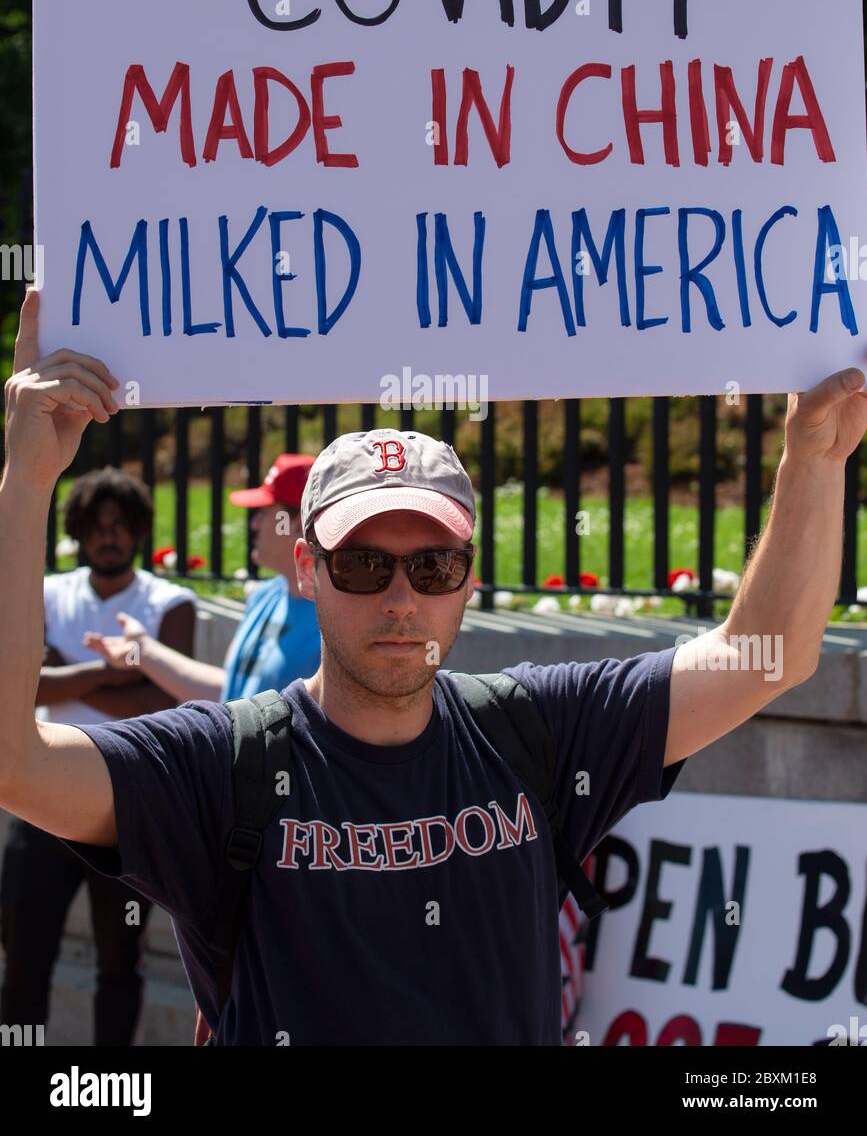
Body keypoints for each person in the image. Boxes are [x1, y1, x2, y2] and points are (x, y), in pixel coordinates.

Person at [1, 287, 862, 1045]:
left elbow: (770, 656)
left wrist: (813, 460)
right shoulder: (219, 766)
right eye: (362, 564)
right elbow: (16, 764)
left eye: (434, 566)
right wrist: (27, 480)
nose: (401, 599)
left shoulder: (539, 731)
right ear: (305, 568)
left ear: (469, 576)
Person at [0, 462, 196, 1046]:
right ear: (79, 531)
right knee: (23, 960)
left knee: (119, 962)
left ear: (138, 531)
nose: (107, 536)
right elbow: (23, 686)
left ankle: (108, 1085)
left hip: (128, 804)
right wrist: (116, 669)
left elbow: (165, 701)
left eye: (120, 525)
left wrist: (66, 673)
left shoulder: (170, 601)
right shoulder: (45, 592)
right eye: (95, 525)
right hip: (39, 801)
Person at [81, 455, 321, 705]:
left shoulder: (335, 611)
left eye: (264, 512)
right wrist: (143, 652)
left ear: (297, 522)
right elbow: (233, 695)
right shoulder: (265, 596)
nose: (254, 524)